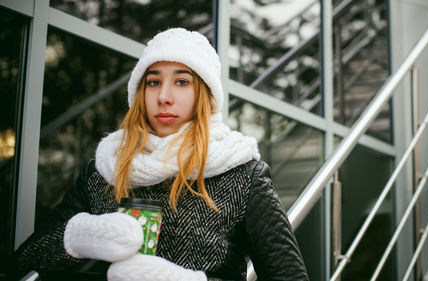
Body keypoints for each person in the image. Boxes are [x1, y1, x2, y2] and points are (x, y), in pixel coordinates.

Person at [14, 27, 309, 281]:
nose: (164, 96)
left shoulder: (242, 175)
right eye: (153, 81)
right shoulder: (104, 169)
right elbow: (23, 263)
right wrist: (76, 239)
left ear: (203, 94)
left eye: (182, 82)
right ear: (139, 92)